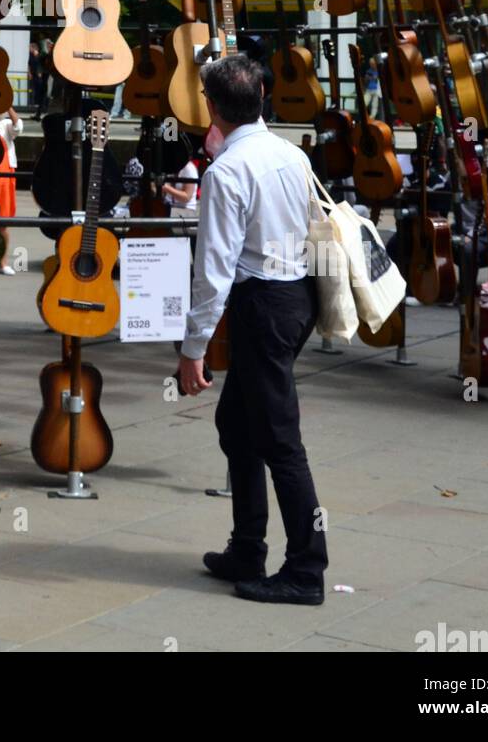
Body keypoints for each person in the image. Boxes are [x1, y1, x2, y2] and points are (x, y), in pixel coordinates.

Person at [176, 54, 328, 606]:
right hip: (294, 297)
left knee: (280, 442)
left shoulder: (227, 171)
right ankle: (247, 545)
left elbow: (213, 268)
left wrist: (193, 350)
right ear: (262, 95)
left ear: (211, 106)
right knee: (237, 425)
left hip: (262, 302)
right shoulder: (289, 153)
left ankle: (307, 568)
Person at [0, 106, 22, 275]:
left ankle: (3, 263)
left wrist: (8, 107)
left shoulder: (5, 124)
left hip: (5, 174)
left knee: (3, 222)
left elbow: (18, 127)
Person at [28, 42, 47, 117]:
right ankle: (36, 107)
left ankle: (40, 108)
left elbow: (41, 64)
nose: (29, 49)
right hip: (34, 75)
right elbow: (29, 64)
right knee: (34, 90)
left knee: (39, 91)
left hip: (39, 76)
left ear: (33, 48)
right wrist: (29, 73)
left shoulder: (38, 55)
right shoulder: (31, 56)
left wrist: (40, 72)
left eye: (30, 48)